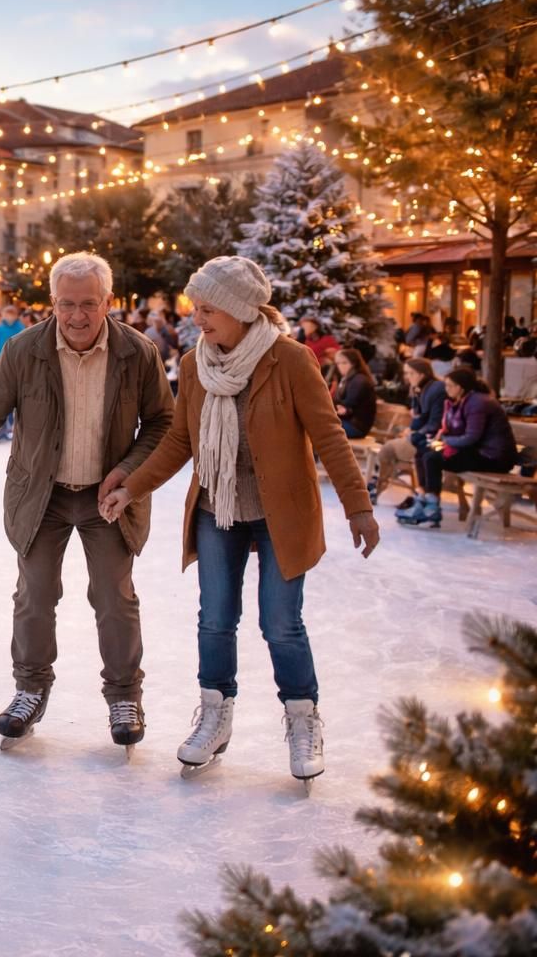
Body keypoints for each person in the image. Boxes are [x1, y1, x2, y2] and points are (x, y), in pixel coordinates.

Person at [101, 256, 380, 787]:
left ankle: (303, 720)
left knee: (280, 623)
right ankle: (214, 714)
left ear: (240, 310)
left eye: (207, 309)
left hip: (281, 512)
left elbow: (329, 437)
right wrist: (131, 485)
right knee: (214, 619)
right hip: (217, 507)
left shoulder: (290, 360)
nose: (198, 319)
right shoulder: (194, 365)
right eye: (195, 308)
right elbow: (181, 442)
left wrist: (358, 506)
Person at [0, 253, 174, 752]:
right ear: (52, 302)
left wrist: (128, 473)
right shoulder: (25, 351)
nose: (77, 315)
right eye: (66, 304)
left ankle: (124, 695)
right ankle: (30, 689)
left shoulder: (137, 353)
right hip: (41, 495)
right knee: (35, 596)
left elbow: (163, 424)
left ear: (108, 302)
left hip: (109, 498)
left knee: (114, 596)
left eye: (88, 304)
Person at [397, 366, 518, 528]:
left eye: (449, 386)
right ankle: (426, 500)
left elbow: (471, 437)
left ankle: (431, 506)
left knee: (433, 457)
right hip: (480, 453)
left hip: (494, 458)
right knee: (427, 452)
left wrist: (446, 441)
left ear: (460, 387)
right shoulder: (464, 401)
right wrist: (441, 438)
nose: (446, 389)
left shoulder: (478, 403)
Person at [374, 358, 446, 507]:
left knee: (388, 449)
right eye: (406, 373)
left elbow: (435, 421)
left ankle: (378, 485)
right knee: (387, 448)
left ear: (422, 374)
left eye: (411, 373)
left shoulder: (435, 389)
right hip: (423, 435)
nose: (408, 377)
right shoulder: (421, 389)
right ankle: (379, 483)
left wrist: (414, 432)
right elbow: (420, 418)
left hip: (430, 439)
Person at [0, 305, 27, 443]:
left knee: (17, 400)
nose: (9, 317)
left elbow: (26, 346)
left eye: (12, 314)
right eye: (7, 314)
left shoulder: (21, 328)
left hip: (18, 367)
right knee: (3, 400)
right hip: (0, 366)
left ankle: (14, 429)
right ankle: (2, 430)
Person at [330, 348, 377, 439]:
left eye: (344, 363)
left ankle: (316, 453)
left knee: (318, 426)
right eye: (338, 363)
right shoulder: (347, 379)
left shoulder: (359, 381)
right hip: (347, 422)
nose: (340, 366)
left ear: (354, 363)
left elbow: (348, 404)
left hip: (355, 426)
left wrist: (337, 408)